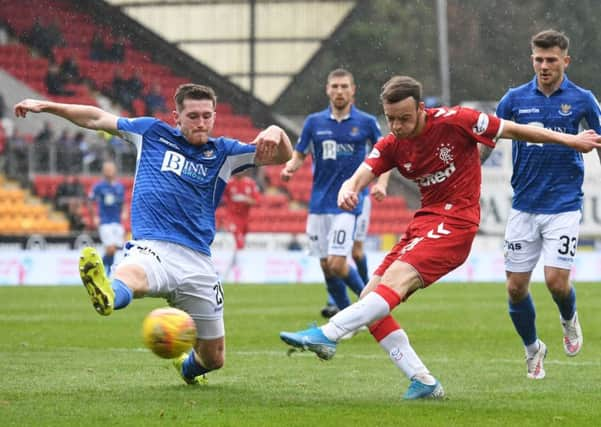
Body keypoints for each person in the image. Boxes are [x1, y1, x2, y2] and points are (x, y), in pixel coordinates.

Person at [279, 75, 601, 400]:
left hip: (457, 223)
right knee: (370, 295)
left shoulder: (457, 120)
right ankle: (423, 381)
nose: (397, 126)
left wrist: (571, 142)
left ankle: (328, 332)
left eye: (404, 118)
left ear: (421, 109)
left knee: (395, 282)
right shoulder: (392, 143)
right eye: (390, 119)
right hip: (426, 221)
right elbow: (365, 169)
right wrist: (349, 187)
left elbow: (516, 129)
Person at [14, 83, 292, 385]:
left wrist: (277, 130)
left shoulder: (224, 153)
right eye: (193, 116)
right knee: (132, 275)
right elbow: (96, 119)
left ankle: (187, 371)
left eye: (206, 116)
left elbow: (282, 157)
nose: (201, 122)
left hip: (198, 262)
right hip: (152, 246)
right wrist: (47, 105)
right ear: (177, 117)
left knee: (214, 357)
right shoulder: (151, 133)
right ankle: (108, 294)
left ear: (213, 117)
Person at [479, 30, 601, 380]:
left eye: (551, 59)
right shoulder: (514, 99)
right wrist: (471, 167)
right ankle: (533, 348)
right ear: (532, 58)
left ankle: (568, 318)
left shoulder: (582, 99)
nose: (544, 65)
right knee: (515, 288)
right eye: (538, 59)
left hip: (563, 205)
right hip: (524, 206)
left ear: (566, 60)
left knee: (556, 282)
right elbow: (489, 138)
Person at [281, 68, 387, 317]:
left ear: (353, 90)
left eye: (344, 86)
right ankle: (345, 315)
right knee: (326, 266)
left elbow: (385, 155)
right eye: (335, 86)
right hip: (319, 203)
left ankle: (371, 308)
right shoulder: (314, 122)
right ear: (327, 89)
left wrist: (381, 184)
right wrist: (290, 168)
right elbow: (299, 155)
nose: (339, 91)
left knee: (340, 261)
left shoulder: (366, 122)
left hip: (350, 201)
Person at [88, 160, 126, 275]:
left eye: (110, 168)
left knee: (115, 249)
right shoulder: (99, 186)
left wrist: (124, 211)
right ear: (103, 171)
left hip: (117, 222)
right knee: (110, 249)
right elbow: (90, 201)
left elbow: (123, 202)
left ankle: (106, 273)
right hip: (105, 221)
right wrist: (94, 216)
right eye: (106, 169)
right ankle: (97, 268)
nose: (109, 171)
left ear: (115, 170)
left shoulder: (120, 186)